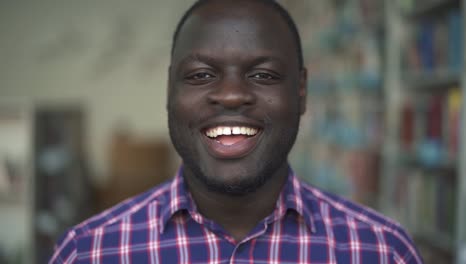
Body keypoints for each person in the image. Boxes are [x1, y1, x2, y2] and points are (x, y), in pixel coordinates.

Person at [50, 0, 423, 263]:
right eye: (201, 75)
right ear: (170, 92)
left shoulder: (382, 251)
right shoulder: (89, 252)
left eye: (263, 75)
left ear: (301, 92)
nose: (231, 94)